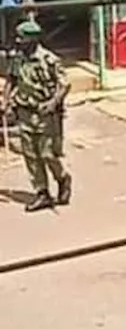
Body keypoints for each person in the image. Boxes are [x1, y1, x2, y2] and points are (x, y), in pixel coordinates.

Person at [8, 19, 70, 212]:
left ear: (32, 40)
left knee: (47, 154)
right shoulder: (19, 58)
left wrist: (52, 104)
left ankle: (62, 178)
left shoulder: (48, 60)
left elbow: (64, 84)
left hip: (45, 114)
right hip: (25, 112)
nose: (18, 42)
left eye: (22, 39)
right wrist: (6, 100)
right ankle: (42, 193)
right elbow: (12, 79)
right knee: (30, 155)